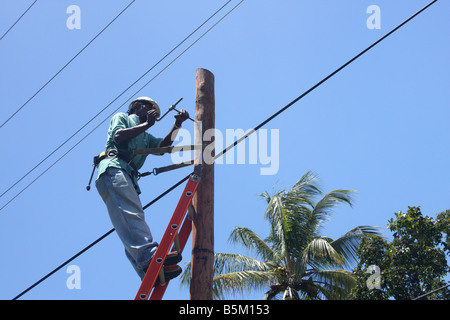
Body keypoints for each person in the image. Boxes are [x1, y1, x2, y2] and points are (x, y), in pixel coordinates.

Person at [95, 96, 189, 280]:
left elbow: (162, 148)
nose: (153, 110)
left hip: (126, 173)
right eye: (149, 106)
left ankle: (146, 272)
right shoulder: (123, 117)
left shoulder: (145, 136)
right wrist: (147, 124)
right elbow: (118, 135)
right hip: (114, 167)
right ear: (137, 106)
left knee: (127, 222)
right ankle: (149, 256)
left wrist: (177, 124)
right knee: (131, 216)